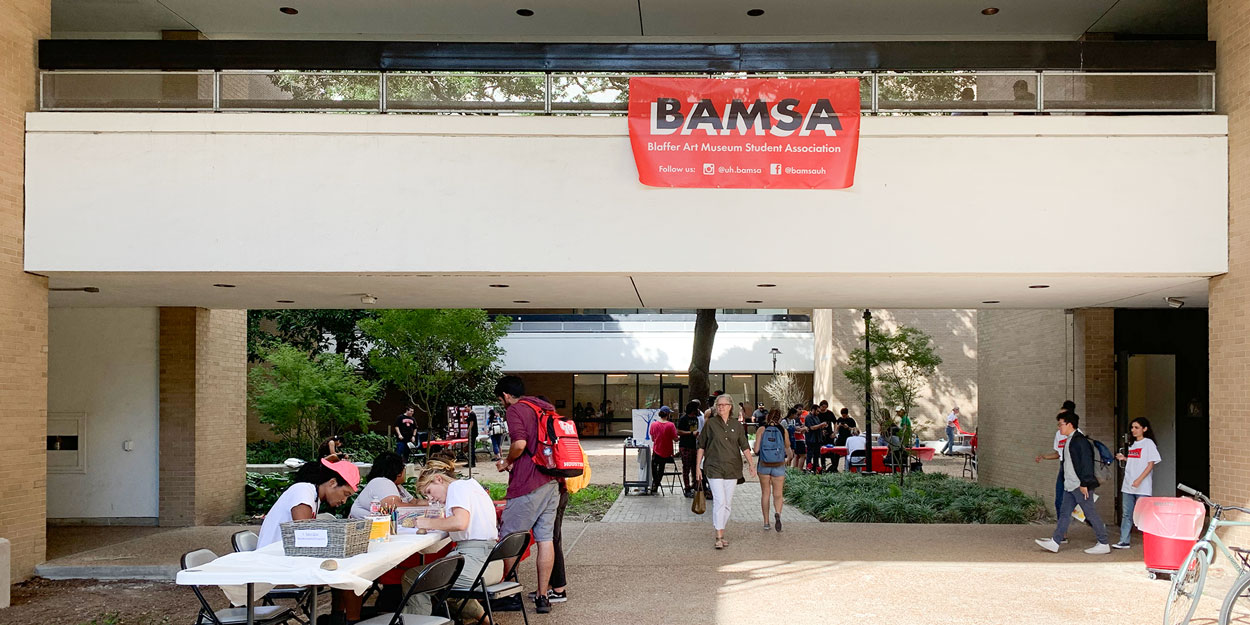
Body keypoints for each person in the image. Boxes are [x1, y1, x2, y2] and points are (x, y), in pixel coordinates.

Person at [492, 375, 560, 614]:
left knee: (509, 536)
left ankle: (510, 595)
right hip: (552, 480)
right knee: (544, 539)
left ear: (506, 396)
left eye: (501, 399)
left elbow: (519, 443)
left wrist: (507, 462)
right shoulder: (542, 407)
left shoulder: (515, 410)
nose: (503, 404)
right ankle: (543, 597)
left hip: (528, 483)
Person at [406, 459, 501, 622]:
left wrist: (427, 523)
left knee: (414, 578)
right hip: (491, 563)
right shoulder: (472, 486)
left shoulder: (456, 487)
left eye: (429, 491)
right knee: (442, 577)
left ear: (438, 479)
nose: (430, 499)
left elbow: (459, 522)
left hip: (476, 564)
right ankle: (483, 618)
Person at [1035, 412, 1111, 554]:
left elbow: (1086, 464)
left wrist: (1084, 483)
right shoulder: (1070, 440)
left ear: (1069, 424)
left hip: (1079, 485)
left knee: (1090, 513)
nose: (1059, 428)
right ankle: (1055, 541)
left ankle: (1103, 542)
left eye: (1060, 424)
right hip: (1070, 485)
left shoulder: (1079, 441)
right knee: (1064, 513)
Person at [696, 393, 756, 550]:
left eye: (723, 405)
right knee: (720, 501)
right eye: (718, 405)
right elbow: (701, 446)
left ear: (730, 407)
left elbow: (744, 446)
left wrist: (751, 464)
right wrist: (697, 467)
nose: (720, 407)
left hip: (732, 468)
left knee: (727, 504)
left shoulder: (736, 425)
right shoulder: (711, 424)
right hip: (713, 467)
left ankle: (722, 531)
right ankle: (718, 536)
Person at [257, 458, 359, 549]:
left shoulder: (315, 497)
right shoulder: (303, 491)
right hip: (271, 557)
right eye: (345, 494)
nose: (344, 500)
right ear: (332, 483)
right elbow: (305, 535)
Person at [1113, 417, 1162, 549]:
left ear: (1144, 429)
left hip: (1142, 486)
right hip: (1128, 484)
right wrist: (1124, 458)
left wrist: (1139, 480)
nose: (1133, 430)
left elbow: (1150, 464)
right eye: (1132, 427)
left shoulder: (1149, 443)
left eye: (1136, 427)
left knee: (1144, 514)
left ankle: (1151, 540)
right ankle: (1124, 540)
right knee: (1127, 514)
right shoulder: (1133, 444)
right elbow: (1136, 460)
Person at [1035, 400, 1078, 541]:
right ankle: (1061, 534)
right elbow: (1059, 453)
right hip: (1063, 468)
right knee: (1059, 501)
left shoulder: (1078, 435)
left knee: (1084, 505)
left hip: (1074, 470)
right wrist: (1044, 457)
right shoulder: (1059, 434)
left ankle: (1100, 532)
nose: (1058, 422)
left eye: (1061, 418)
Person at [752, 408, 792, 532]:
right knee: (778, 494)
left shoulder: (761, 429)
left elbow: (756, 450)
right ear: (780, 418)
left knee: (765, 493)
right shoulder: (783, 430)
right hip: (778, 464)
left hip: (764, 465)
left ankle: (766, 522)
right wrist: (788, 459)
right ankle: (778, 514)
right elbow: (788, 448)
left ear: (768, 416)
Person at [348, 451, 421, 519]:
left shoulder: (397, 486)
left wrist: (431, 504)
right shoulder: (382, 482)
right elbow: (396, 508)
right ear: (399, 472)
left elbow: (415, 502)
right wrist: (425, 510)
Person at [648, 406, 678, 495]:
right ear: (668, 415)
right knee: (661, 467)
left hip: (657, 450)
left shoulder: (654, 424)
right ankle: (656, 483)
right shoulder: (671, 425)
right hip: (667, 452)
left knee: (653, 465)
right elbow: (675, 438)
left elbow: (653, 438)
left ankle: (655, 483)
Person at [677, 401, 701, 498]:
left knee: (695, 467)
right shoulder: (683, 419)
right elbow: (678, 431)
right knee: (686, 467)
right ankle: (687, 488)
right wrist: (690, 434)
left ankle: (694, 485)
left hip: (693, 446)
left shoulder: (696, 419)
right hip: (685, 446)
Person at [803, 405, 826, 472]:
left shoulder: (817, 417)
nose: (818, 413)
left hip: (817, 439)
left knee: (816, 455)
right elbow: (812, 427)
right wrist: (821, 425)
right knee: (810, 455)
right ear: (813, 410)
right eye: (817, 411)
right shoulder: (808, 417)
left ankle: (815, 468)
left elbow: (818, 426)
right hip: (811, 439)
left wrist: (822, 429)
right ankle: (808, 468)